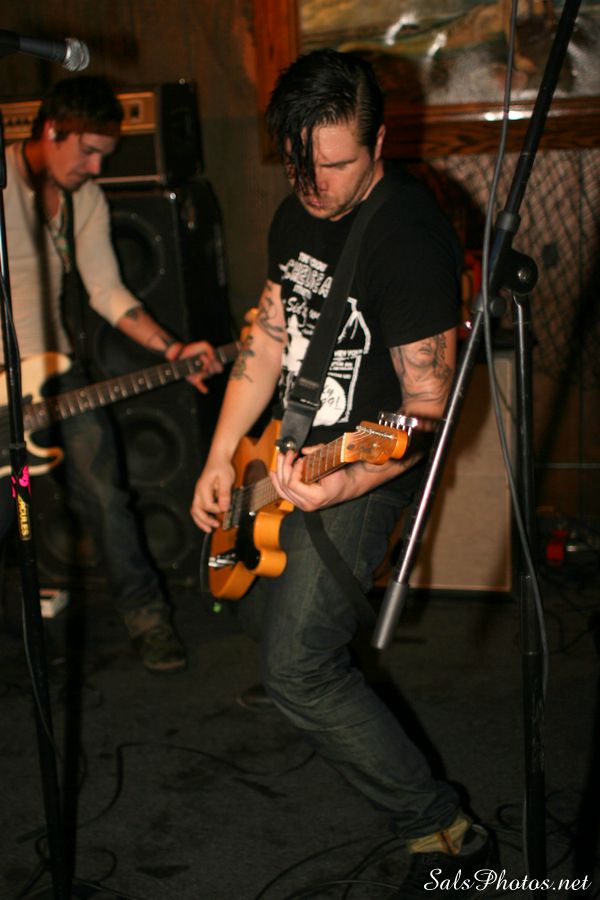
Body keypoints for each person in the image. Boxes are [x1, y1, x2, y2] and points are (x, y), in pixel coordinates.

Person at [190, 49, 494, 895]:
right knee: (244, 597)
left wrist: (347, 482)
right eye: (300, 163)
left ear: (380, 143)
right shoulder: (297, 212)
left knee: (298, 667)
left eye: (335, 164)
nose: (315, 184)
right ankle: (307, 679)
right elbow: (268, 337)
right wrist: (221, 453)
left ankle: (446, 830)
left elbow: (426, 412)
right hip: (285, 453)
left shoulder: (409, 239)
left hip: (365, 465)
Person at [0, 76, 222, 673]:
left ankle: (147, 618)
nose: (98, 167)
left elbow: (107, 291)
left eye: (105, 153)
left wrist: (172, 348)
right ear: (53, 130)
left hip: (55, 375)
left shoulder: (86, 200)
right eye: (89, 151)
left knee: (106, 494)